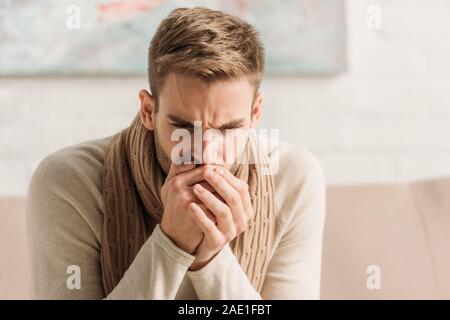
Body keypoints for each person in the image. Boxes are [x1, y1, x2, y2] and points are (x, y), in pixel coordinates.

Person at [26, 7, 325, 299]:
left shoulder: (292, 178)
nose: (206, 153)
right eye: (184, 127)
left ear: (255, 113)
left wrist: (210, 260)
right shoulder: (68, 181)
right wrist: (172, 244)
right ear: (148, 110)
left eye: (229, 128)